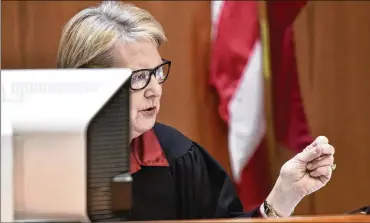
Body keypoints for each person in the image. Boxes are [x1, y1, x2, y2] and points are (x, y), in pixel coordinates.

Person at [57, 1, 336, 221]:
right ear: (89, 83)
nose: (155, 89)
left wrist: (284, 194)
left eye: (157, 72)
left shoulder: (178, 156)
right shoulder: (40, 160)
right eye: (139, 77)